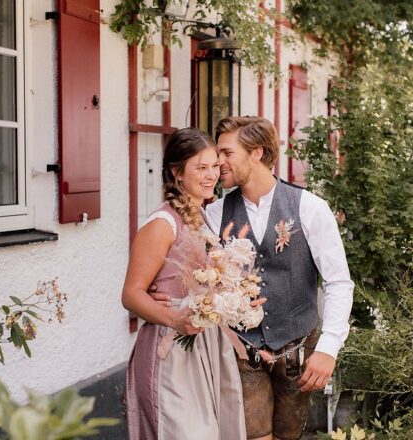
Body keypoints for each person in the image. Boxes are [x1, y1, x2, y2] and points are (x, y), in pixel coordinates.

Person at [205, 116, 354, 440]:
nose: (219, 162)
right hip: (243, 350)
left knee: (289, 435)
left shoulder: (310, 208)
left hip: (297, 350)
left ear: (256, 152)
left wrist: (328, 348)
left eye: (227, 152)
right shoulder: (214, 213)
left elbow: (338, 282)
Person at [122, 128, 246, 440]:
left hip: (205, 344)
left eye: (214, 166)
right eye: (200, 168)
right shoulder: (162, 224)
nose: (211, 176)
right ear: (177, 172)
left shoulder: (201, 216)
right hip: (172, 348)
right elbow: (131, 294)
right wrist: (174, 317)